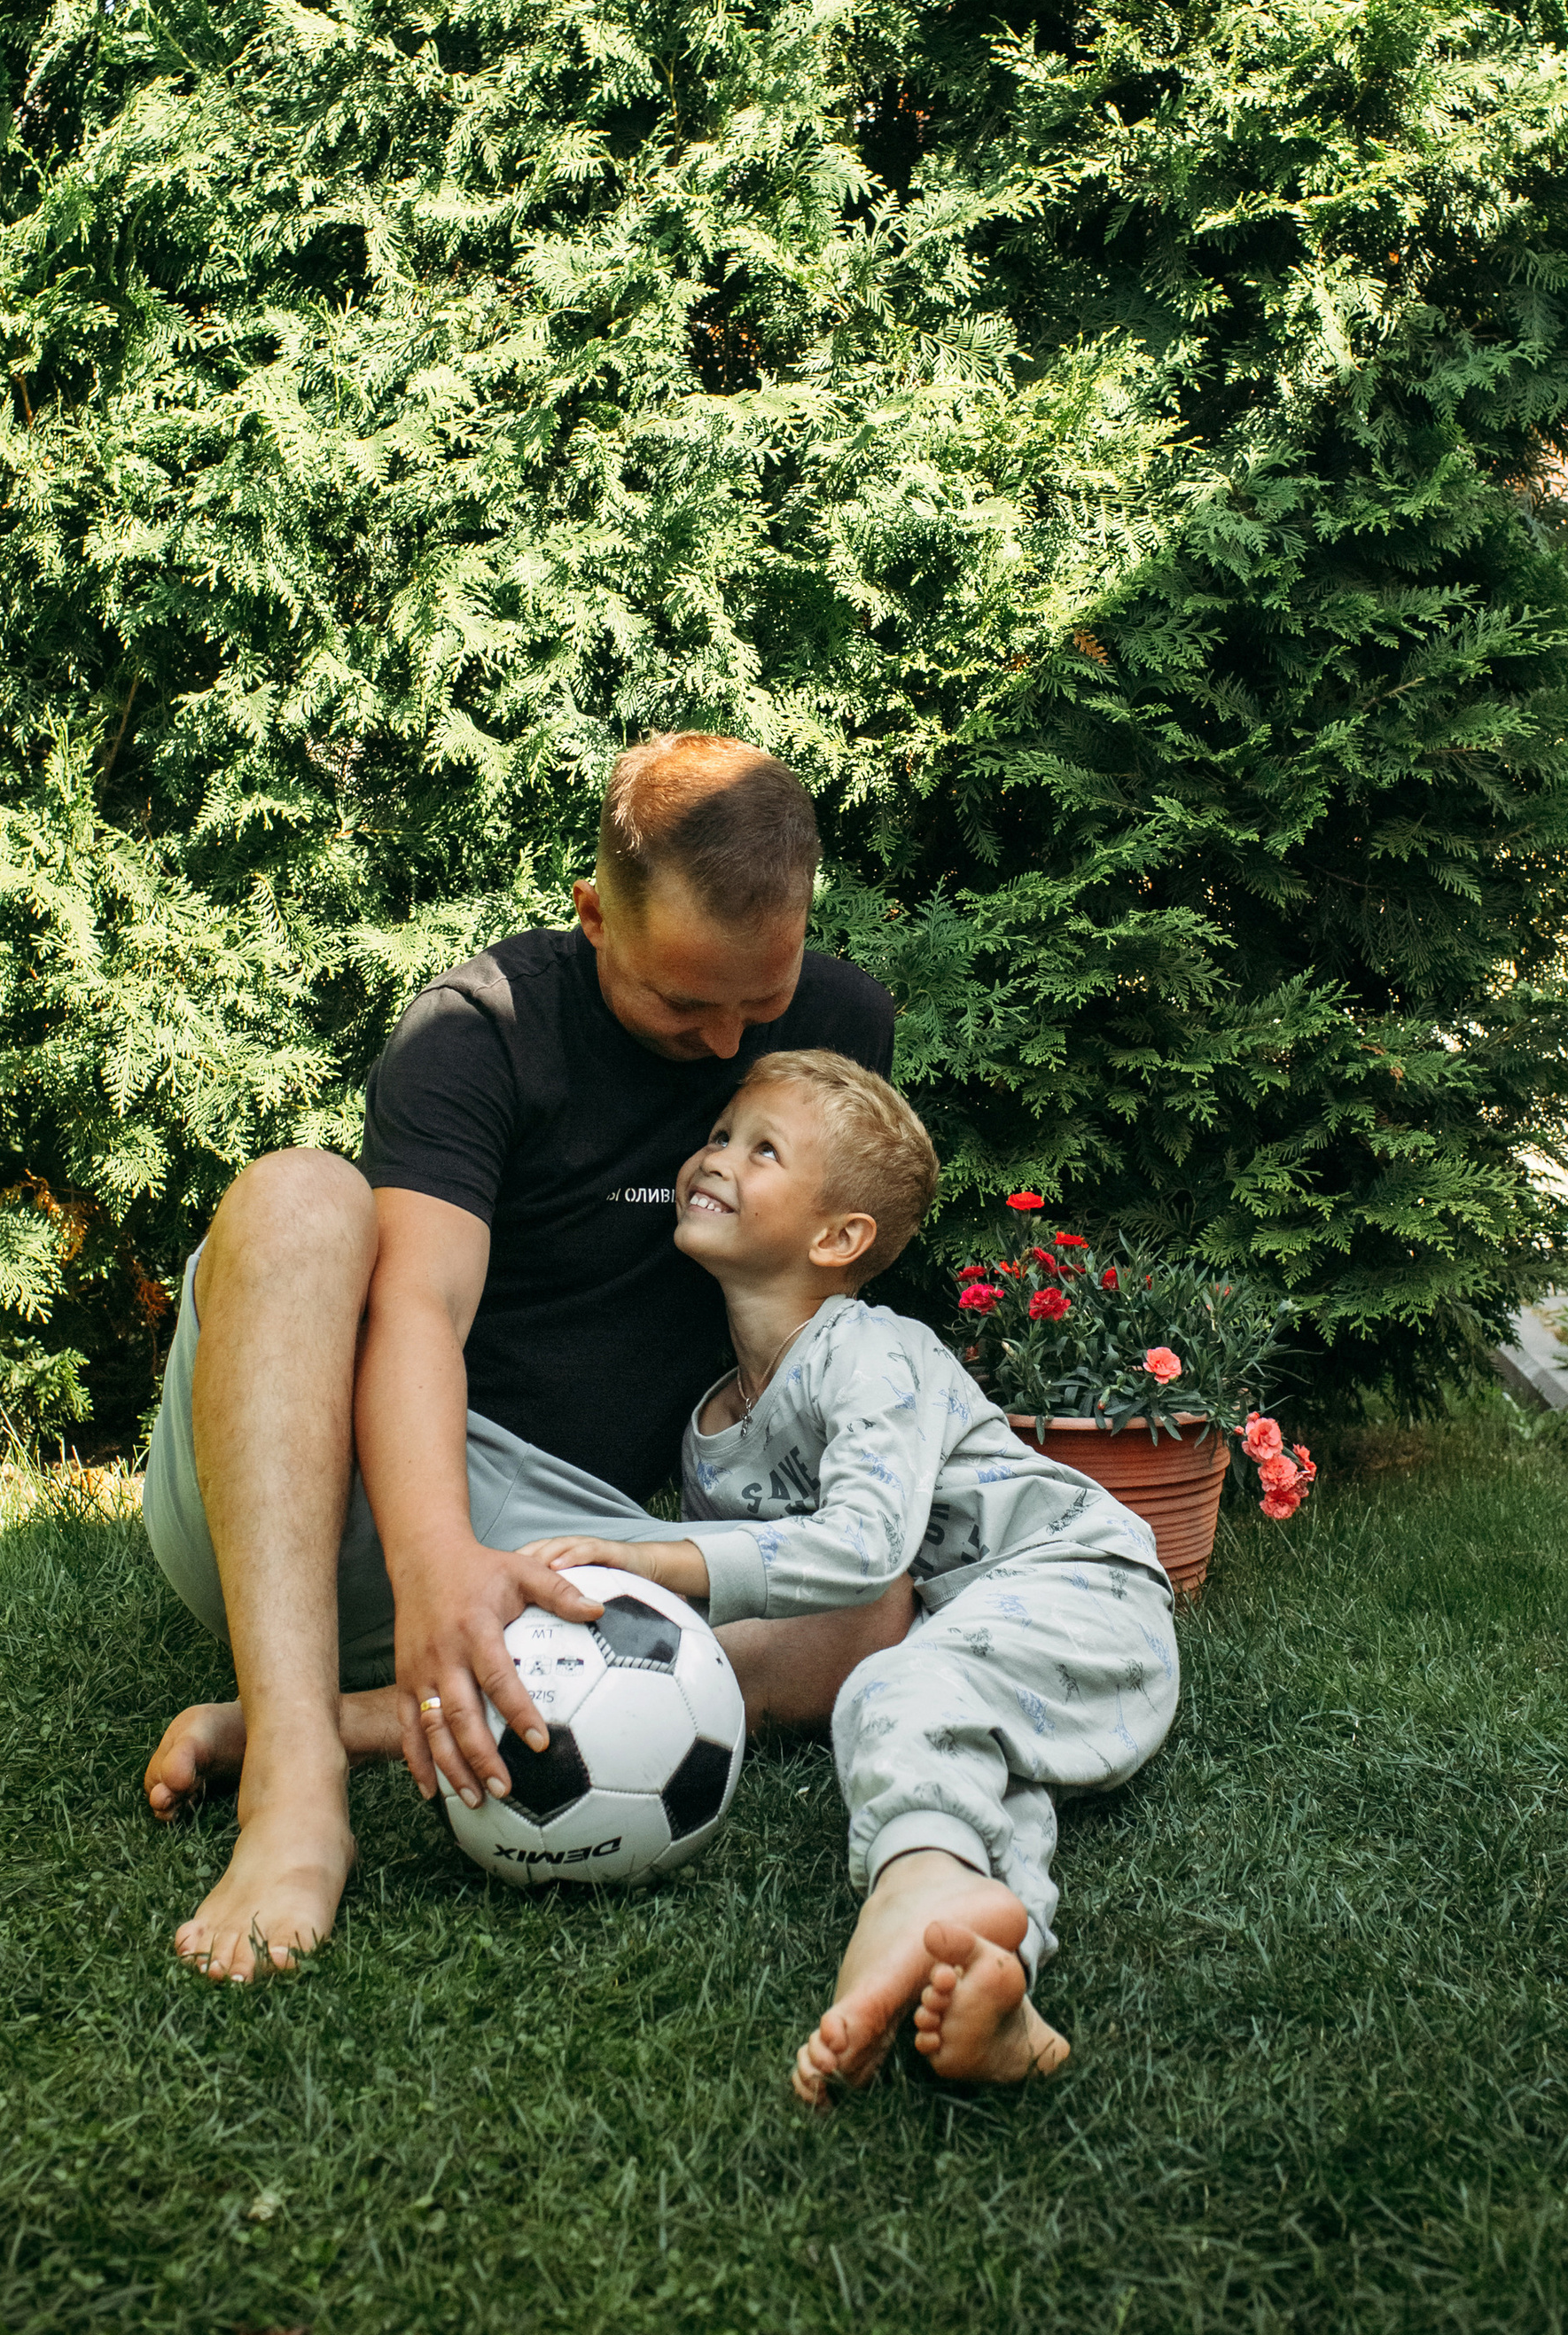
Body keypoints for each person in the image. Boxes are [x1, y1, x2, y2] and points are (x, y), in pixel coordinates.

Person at [138, 734, 906, 1982]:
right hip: (316, 1489)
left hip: (547, 1542)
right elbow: (417, 1316)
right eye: (681, 1003)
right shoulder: (475, 1031)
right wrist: (433, 1558)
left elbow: (821, 1294)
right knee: (297, 1196)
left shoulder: (843, 1020)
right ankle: (292, 1784)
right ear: (594, 914)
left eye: (756, 1005)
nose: (725, 1046)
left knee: (870, 1607)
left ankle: (337, 1720)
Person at [534, 1050, 1182, 2096]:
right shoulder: (710, 1428)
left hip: (1077, 1579)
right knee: (964, 1754)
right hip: (960, 1636)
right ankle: (994, 1976)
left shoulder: (874, 1351)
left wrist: (656, 1559)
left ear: (838, 1240)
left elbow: (863, 1546)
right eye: (719, 1134)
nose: (713, 1158)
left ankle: (895, 1909)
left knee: (897, 1690)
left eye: (762, 1149)